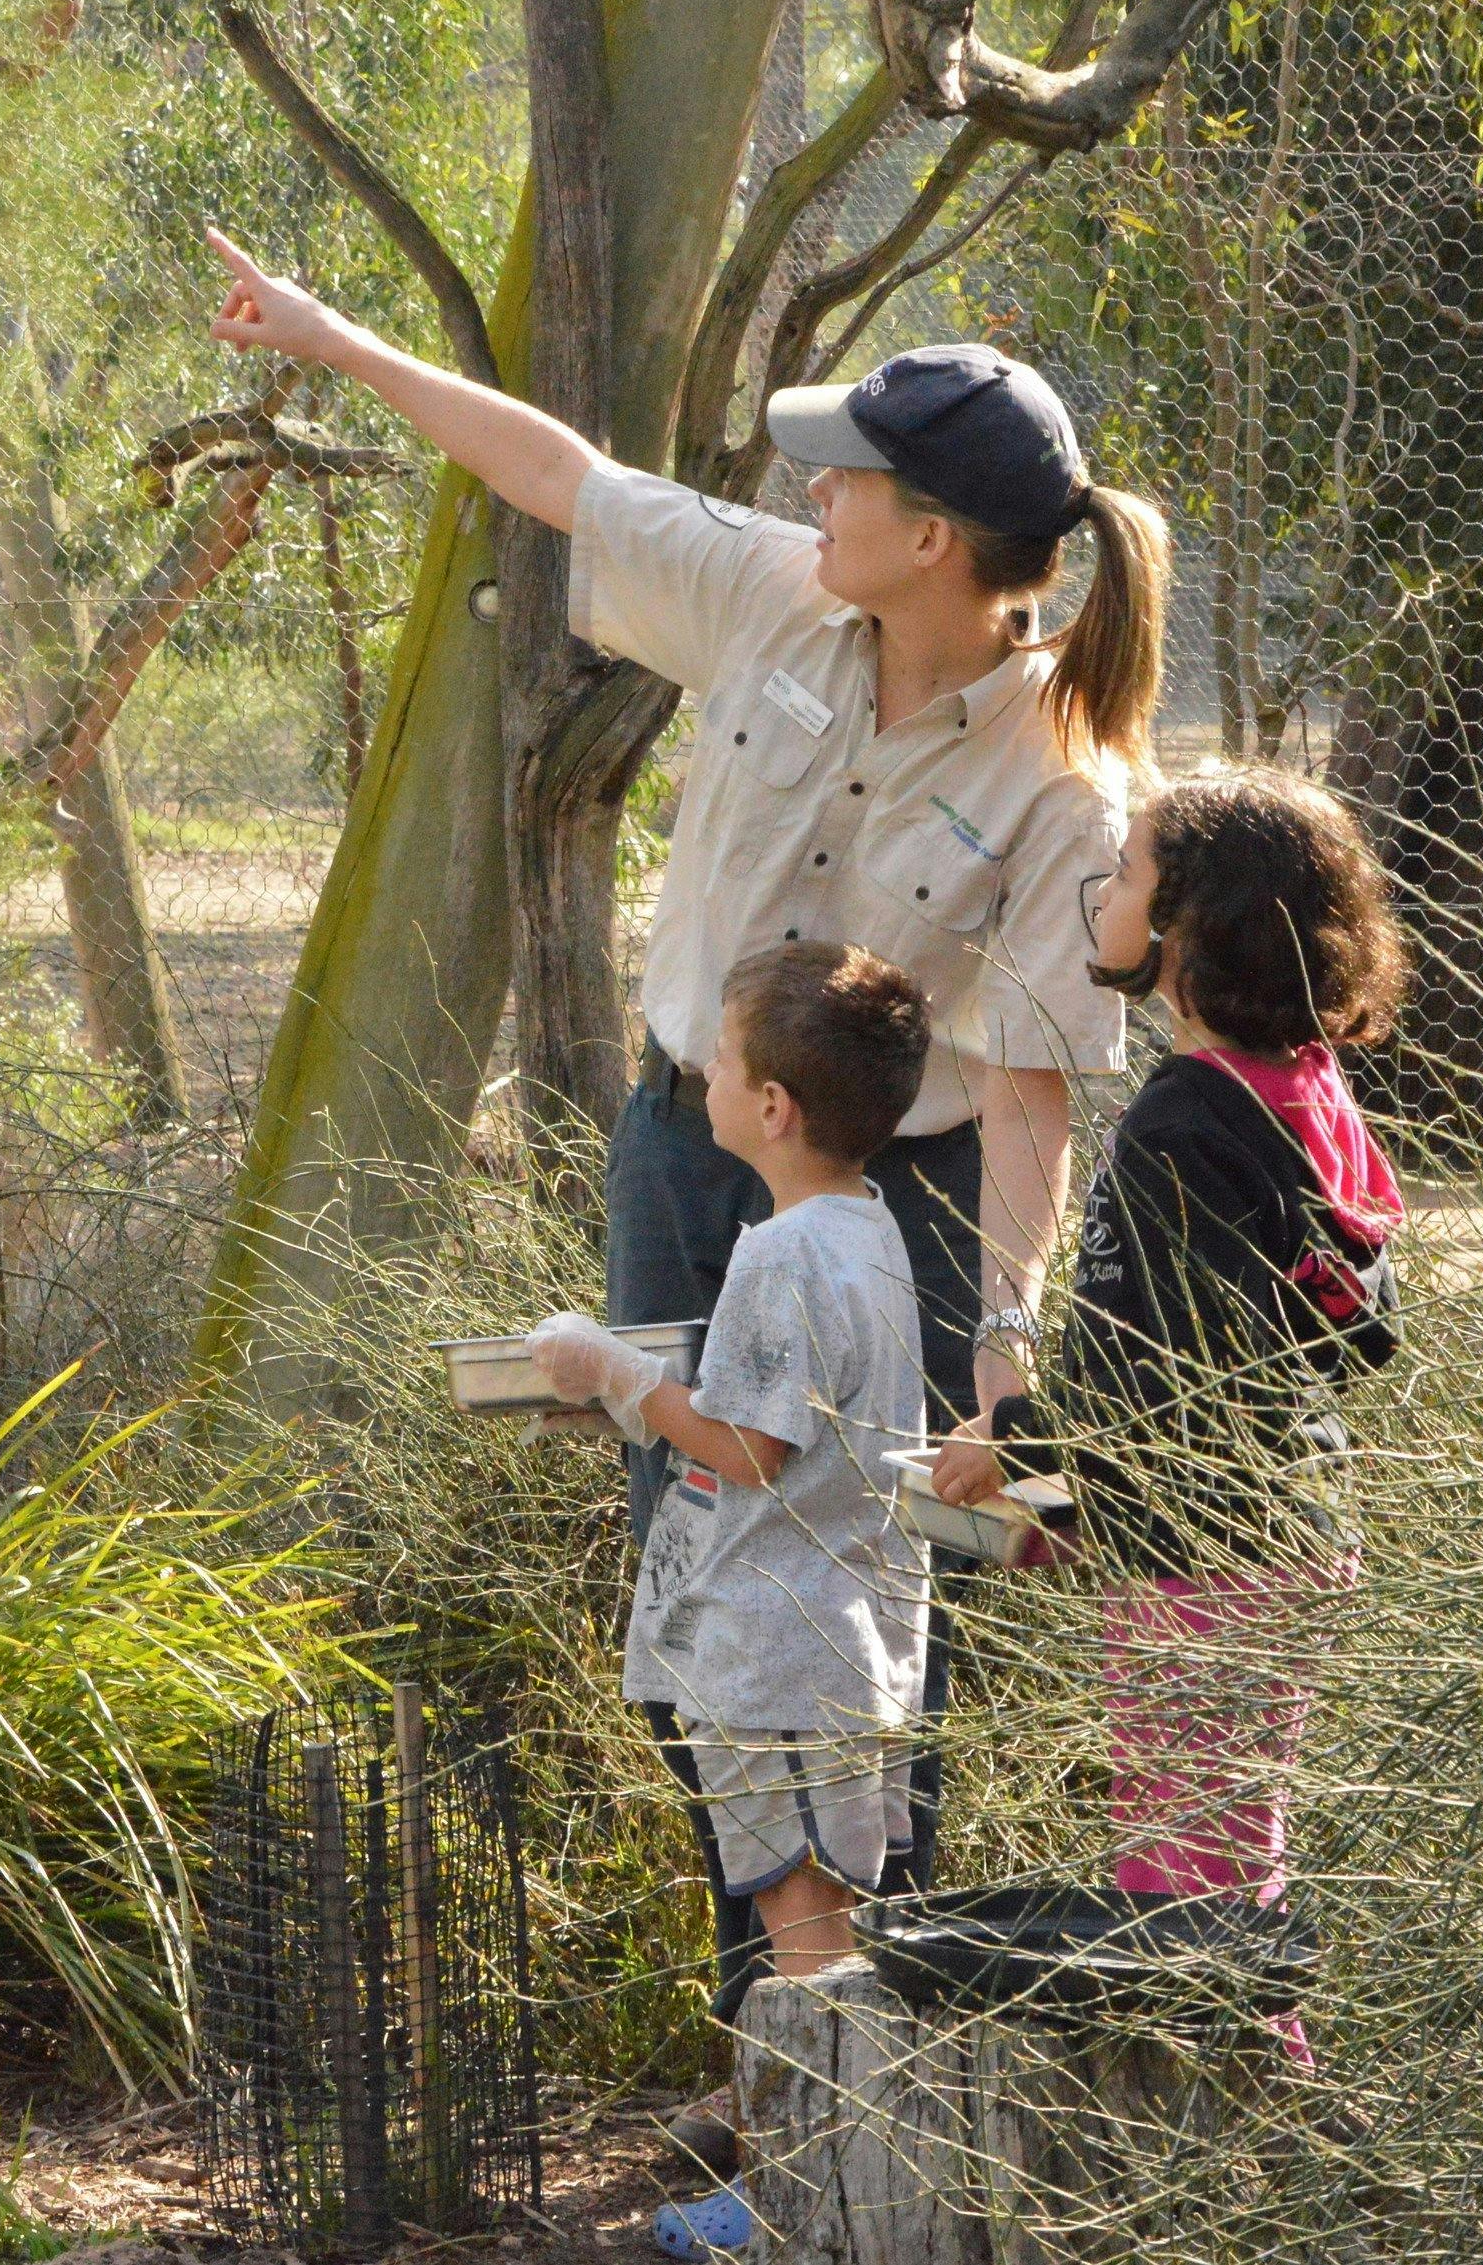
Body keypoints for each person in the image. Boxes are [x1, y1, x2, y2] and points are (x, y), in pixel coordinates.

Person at [202, 229, 1174, 2140]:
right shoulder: (769, 589)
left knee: (870, 1619)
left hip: (899, 1205)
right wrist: (331, 341)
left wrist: (1005, 1351)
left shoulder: (1070, 778)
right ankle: (786, 2036)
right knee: (704, 1598)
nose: (813, 493)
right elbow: (560, 473)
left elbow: (1033, 1092)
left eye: (849, 476)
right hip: (691, 1150)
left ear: (936, 540)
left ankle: (848, 2061)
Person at [932, 768, 1407, 2063]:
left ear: (1194, 925)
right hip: (1286, 1525)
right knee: (1232, 1844)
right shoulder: (1300, 1087)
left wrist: (1013, 1449)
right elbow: (1352, 1329)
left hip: (1209, 1549)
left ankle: (1239, 2121)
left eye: (1130, 871)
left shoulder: (1183, 1120)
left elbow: (1158, 1373)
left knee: (1182, 1876)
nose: (1106, 889)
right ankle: (1266, 2099)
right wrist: (1072, 1503)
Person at [528, 941, 935, 2261]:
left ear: (771, 1104)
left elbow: (750, 1450)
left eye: (719, 1055)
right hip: (851, 1637)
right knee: (832, 1930)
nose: (698, 1073)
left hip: (778, 1654)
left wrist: (614, 1373)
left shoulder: (781, 1254)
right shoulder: (872, 1231)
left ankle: (800, 2212)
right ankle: (852, 2195)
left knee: (801, 1941)